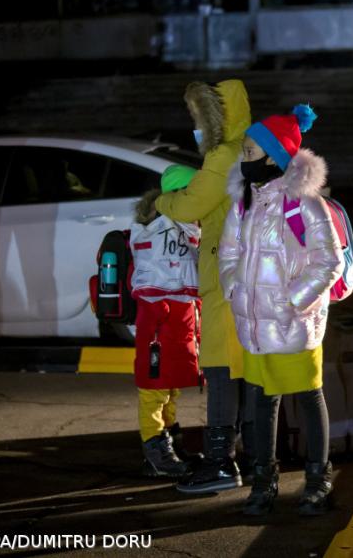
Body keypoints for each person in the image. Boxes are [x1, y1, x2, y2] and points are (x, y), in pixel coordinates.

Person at [218, 104, 344, 516]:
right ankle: (263, 479)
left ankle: (317, 478)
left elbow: (329, 261)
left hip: (295, 323)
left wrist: (292, 302)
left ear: (274, 155)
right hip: (254, 324)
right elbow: (229, 253)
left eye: (251, 151)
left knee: (309, 397)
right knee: (260, 400)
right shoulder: (244, 202)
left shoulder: (304, 204)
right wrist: (236, 290)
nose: (244, 158)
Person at [146, 80, 252, 494]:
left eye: (198, 116)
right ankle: (237, 456)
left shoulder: (224, 154)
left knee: (221, 369)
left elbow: (190, 203)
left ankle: (220, 463)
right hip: (240, 274)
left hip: (223, 275)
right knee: (238, 371)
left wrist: (161, 202)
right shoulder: (246, 148)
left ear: (216, 116)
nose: (195, 124)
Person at [130, 165, 205, 478]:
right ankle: (155, 449)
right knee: (155, 387)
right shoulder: (157, 227)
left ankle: (170, 443)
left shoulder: (183, 224)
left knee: (171, 384)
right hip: (160, 314)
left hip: (181, 313)